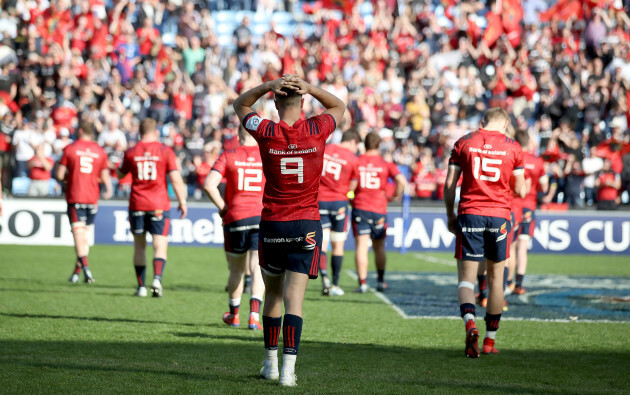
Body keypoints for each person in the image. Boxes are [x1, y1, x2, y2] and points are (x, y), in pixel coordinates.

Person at [233, 74, 344, 387]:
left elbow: (240, 104)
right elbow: (339, 105)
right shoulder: (317, 129)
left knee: (273, 294)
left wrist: (266, 87)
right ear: (304, 102)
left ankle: (269, 363)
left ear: (276, 103)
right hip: (306, 223)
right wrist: (311, 87)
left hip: (272, 223)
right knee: (295, 300)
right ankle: (288, 372)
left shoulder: (267, 131)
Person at [444, 108, 525, 358]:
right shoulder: (514, 147)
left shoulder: (465, 142)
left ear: (482, 122)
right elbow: (520, 189)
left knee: (466, 280)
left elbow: (449, 184)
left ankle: (470, 322)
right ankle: (490, 341)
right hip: (500, 215)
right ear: (505, 123)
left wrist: (450, 215)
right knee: (496, 279)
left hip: (470, 212)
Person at [204, 126, 265, 330]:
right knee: (258, 267)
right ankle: (254, 316)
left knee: (236, 270)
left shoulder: (229, 154)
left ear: (239, 135)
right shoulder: (267, 154)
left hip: (236, 218)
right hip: (261, 217)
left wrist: (222, 207)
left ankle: (235, 315)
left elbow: (209, 185)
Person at [119, 118, 188, 297]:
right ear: (155, 131)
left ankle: (141, 287)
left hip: (137, 204)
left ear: (139, 131)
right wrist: (182, 201)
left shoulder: (131, 151)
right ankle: (157, 279)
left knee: (139, 246)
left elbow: (120, 174)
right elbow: (175, 179)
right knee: (160, 243)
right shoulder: (165, 151)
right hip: (159, 204)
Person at [56, 121, 113, 284]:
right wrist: (108, 189)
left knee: (78, 236)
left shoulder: (70, 148)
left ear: (80, 130)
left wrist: (72, 176)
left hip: (76, 196)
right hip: (92, 198)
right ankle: (76, 273)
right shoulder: (99, 151)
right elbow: (104, 174)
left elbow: (60, 175)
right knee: (84, 237)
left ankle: (87, 270)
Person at [352, 132, 407, 293]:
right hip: (379, 209)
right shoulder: (385, 164)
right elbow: (402, 181)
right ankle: (381, 281)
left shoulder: (357, 161)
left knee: (362, 247)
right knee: (379, 247)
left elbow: (349, 184)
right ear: (378, 145)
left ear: (365, 144)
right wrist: (395, 195)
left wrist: (349, 198)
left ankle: (362, 283)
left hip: (360, 207)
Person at [317, 130, 361, 296]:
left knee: (322, 243)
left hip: (320, 200)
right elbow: (354, 184)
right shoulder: (352, 158)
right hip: (339, 204)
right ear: (352, 142)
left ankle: (325, 278)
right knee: (338, 245)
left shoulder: (325, 149)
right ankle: (335, 284)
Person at [512, 130, 547, 295]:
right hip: (529, 206)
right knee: (522, 246)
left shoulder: (512, 157)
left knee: (510, 246)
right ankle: (519, 284)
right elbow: (544, 186)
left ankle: (507, 282)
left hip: (512, 204)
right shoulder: (538, 161)